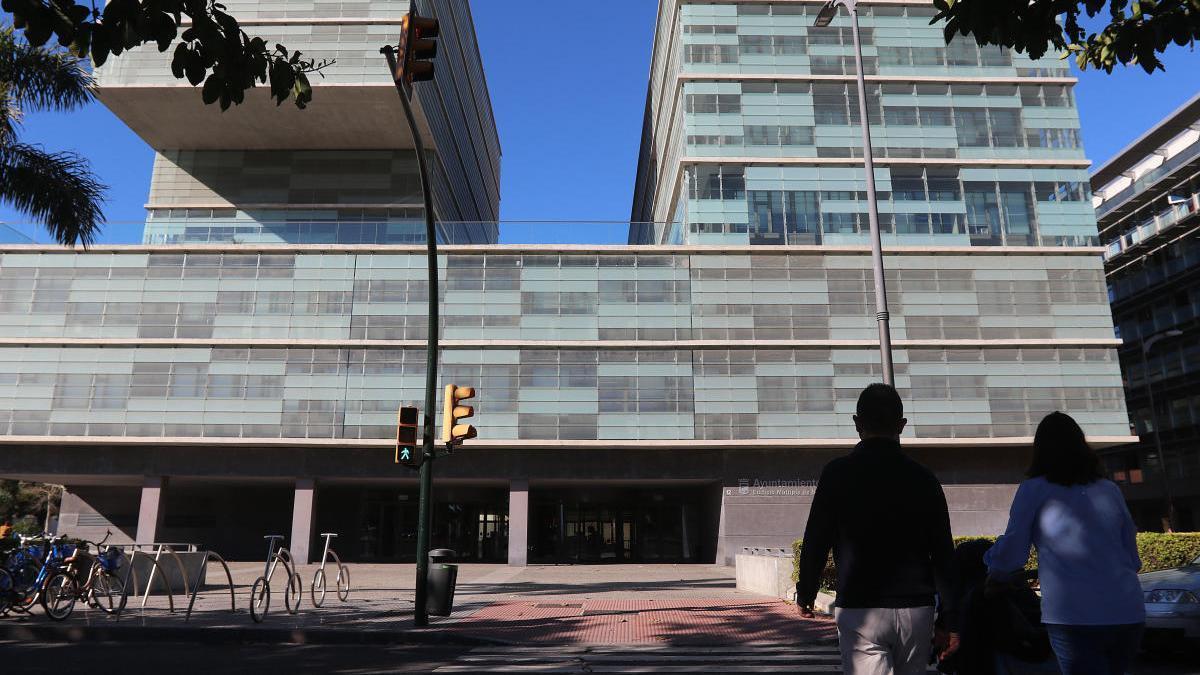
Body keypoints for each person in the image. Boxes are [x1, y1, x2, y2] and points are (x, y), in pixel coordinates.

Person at [796, 383, 959, 674]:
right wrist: (950, 619)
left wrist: (806, 592)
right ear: (902, 425)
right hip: (916, 608)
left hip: (861, 608)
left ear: (857, 423)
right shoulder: (924, 479)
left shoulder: (837, 474)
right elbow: (944, 554)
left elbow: (816, 540)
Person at [985, 411, 1145, 675]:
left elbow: (1013, 552)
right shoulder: (1109, 489)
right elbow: (1132, 556)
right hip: (1127, 610)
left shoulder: (1033, 489)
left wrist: (992, 569)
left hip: (1073, 613)